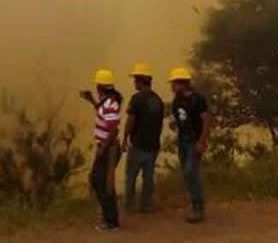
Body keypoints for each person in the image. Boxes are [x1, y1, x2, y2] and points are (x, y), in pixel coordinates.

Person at [80, 68, 122, 232]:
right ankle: (109, 216)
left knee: (100, 181)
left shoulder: (110, 104)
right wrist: (91, 101)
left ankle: (111, 220)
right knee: (101, 181)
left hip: (108, 149)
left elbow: (114, 130)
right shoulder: (106, 103)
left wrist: (102, 148)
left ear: (101, 87)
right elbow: (102, 113)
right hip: (106, 148)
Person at [169, 66, 210, 224]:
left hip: (194, 141)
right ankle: (195, 205)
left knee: (190, 171)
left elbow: (206, 120)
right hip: (183, 141)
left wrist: (202, 141)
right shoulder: (177, 101)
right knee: (188, 174)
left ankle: (198, 208)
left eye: (175, 83)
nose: (172, 87)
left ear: (183, 84)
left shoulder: (197, 99)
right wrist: (175, 124)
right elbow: (179, 119)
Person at [122, 63, 164, 214]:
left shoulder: (137, 98)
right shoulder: (158, 100)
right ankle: (145, 205)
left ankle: (128, 205)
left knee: (131, 176)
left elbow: (131, 120)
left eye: (135, 79)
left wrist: (125, 139)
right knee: (148, 178)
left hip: (138, 145)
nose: (134, 83)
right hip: (153, 146)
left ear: (140, 81)